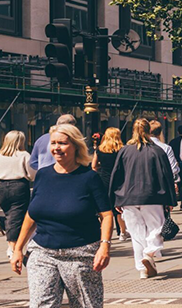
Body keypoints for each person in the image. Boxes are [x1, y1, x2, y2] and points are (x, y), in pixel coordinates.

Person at [10, 124, 113, 308]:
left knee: (87, 305)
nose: (56, 148)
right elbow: (32, 214)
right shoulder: (43, 175)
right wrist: (18, 248)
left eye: (63, 143)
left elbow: (106, 215)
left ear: (75, 146)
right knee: (42, 305)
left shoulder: (89, 177)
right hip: (42, 253)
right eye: (53, 143)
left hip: (81, 254)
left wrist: (104, 246)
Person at [107, 119, 174, 279]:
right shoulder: (157, 151)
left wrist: (115, 199)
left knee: (136, 235)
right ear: (149, 131)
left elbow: (116, 175)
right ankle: (149, 253)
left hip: (128, 197)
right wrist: (170, 200)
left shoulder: (125, 151)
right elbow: (166, 176)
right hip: (152, 196)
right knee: (156, 228)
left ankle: (142, 269)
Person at [0, 131, 35, 259]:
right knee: (16, 216)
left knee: (9, 216)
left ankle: (12, 245)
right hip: (18, 186)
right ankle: (13, 247)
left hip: (1, 186)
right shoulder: (24, 155)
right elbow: (32, 175)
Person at [91, 129, 127, 241]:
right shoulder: (122, 150)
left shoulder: (100, 150)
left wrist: (100, 170)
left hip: (104, 180)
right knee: (119, 208)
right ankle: (122, 232)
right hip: (119, 180)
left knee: (105, 207)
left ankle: (105, 232)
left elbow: (93, 165)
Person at [167, 124, 182, 210]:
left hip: (175, 164)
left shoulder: (173, 142)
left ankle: (176, 199)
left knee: (177, 183)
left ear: (178, 132)